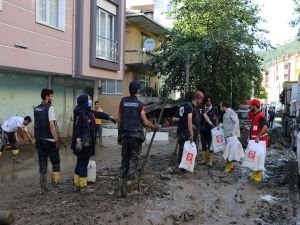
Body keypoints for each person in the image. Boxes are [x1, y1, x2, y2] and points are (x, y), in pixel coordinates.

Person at [118, 80, 159, 197]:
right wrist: (154, 126)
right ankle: (129, 189)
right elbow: (145, 122)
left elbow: (119, 120)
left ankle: (120, 188)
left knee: (124, 160)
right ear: (137, 90)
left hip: (125, 136)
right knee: (134, 161)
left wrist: (119, 135)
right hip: (136, 137)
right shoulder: (140, 105)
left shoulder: (122, 102)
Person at [72, 94, 114, 193]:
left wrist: (109, 117)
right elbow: (77, 127)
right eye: (89, 99)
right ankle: (83, 187)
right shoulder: (81, 113)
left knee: (79, 162)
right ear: (84, 102)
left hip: (85, 142)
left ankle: (77, 185)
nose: (90, 101)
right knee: (83, 163)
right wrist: (78, 141)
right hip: (83, 143)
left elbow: (97, 114)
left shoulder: (86, 111)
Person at [34, 89, 61, 194]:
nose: (52, 98)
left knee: (42, 163)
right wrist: (56, 139)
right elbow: (51, 125)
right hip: (49, 140)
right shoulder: (50, 108)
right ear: (46, 97)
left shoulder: (36, 109)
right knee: (56, 161)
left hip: (39, 139)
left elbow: (36, 124)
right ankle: (56, 184)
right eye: (51, 96)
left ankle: (43, 187)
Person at [249, 99, 268, 182]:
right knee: (254, 158)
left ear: (255, 106)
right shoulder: (255, 115)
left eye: (251, 106)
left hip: (260, 141)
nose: (250, 107)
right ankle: (254, 173)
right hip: (255, 142)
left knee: (259, 158)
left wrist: (258, 137)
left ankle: (258, 175)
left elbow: (265, 127)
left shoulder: (260, 116)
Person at [219, 101, 241, 172]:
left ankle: (228, 167)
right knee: (228, 151)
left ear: (224, 106)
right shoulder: (225, 113)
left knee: (229, 152)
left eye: (220, 106)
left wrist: (233, 132)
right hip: (227, 135)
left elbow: (236, 121)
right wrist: (221, 125)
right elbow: (226, 124)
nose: (220, 108)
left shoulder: (231, 112)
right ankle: (230, 165)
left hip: (231, 136)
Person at [176, 92, 194, 166]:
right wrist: (191, 132)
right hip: (185, 130)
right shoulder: (189, 106)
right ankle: (184, 165)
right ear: (192, 99)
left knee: (181, 147)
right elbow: (189, 120)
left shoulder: (181, 105)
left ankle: (180, 163)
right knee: (186, 148)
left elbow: (176, 118)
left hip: (180, 129)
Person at [201, 96, 218, 167]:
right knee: (203, 143)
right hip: (203, 129)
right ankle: (204, 159)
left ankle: (210, 160)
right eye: (207, 101)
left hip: (211, 130)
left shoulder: (215, 109)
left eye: (209, 101)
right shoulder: (202, 108)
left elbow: (217, 118)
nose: (208, 102)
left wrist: (216, 127)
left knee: (210, 144)